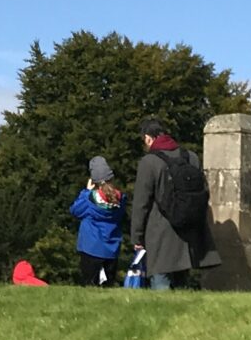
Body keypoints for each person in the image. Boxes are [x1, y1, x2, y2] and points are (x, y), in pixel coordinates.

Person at [127, 117, 212, 291]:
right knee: (182, 286)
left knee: (160, 285)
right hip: (188, 231)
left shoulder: (149, 162)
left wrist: (137, 236)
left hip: (160, 233)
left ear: (148, 138)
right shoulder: (191, 157)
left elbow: (141, 204)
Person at [67, 156, 126, 286]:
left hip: (91, 247)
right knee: (108, 286)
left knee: (90, 285)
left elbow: (75, 210)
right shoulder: (120, 198)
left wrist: (86, 191)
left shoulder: (89, 199)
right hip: (112, 249)